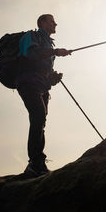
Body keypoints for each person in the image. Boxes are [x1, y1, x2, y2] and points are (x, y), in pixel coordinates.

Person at [16, 14, 71, 177]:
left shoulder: (48, 42)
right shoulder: (31, 36)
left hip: (41, 85)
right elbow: (31, 54)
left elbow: (41, 66)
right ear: (42, 23)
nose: (55, 23)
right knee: (38, 115)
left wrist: (52, 78)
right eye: (52, 21)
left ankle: (38, 162)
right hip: (27, 82)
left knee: (40, 120)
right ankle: (34, 162)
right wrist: (56, 51)